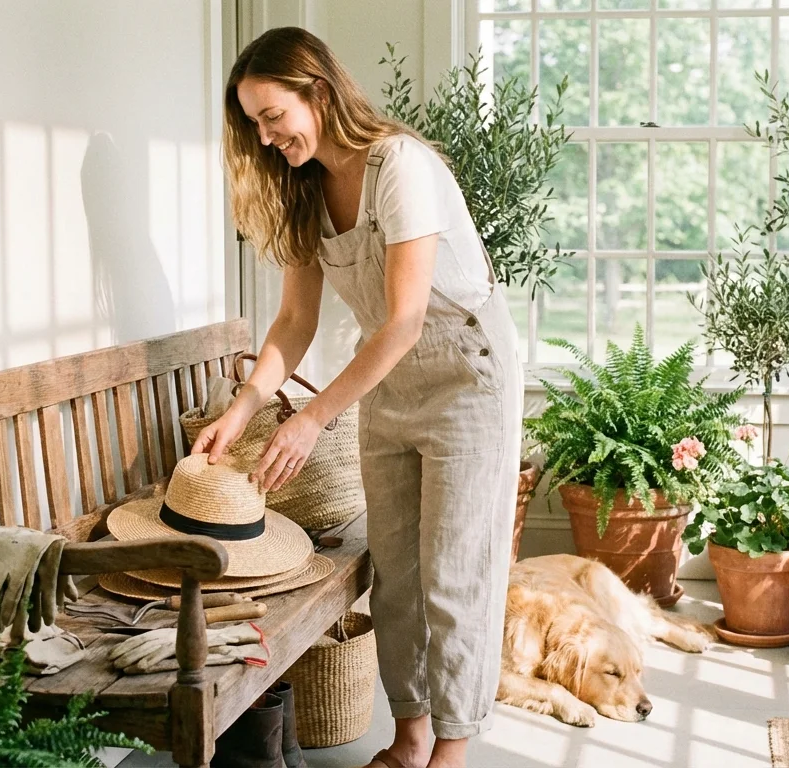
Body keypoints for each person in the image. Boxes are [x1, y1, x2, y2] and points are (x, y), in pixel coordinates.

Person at [194, 26, 523, 768]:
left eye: (272, 115)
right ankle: (407, 739)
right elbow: (293, 322)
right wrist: (241, 411)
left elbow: (406, 320)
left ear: (317, 90)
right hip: (388, 381)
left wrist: (313, 418)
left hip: (466, 377)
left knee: (454, 573)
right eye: (253, 124)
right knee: (398, 574)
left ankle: (453, 750)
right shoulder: (304, 190)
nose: (266, 136)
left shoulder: (401, 166)